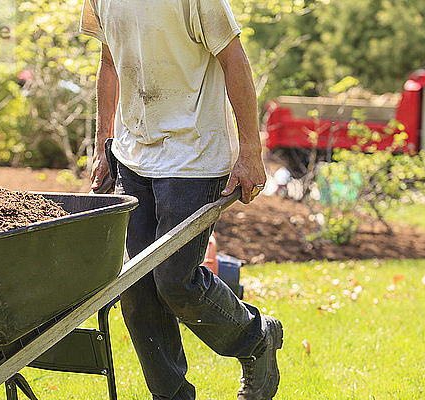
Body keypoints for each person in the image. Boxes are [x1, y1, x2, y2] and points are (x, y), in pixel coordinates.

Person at [80, 1, 283, 399]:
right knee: (136, 289)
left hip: (194, 154)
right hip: (134, 153)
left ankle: (256, 338)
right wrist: (104, 142)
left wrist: (250, 152)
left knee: (175, 282)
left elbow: (234, 59)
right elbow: (109, 63)